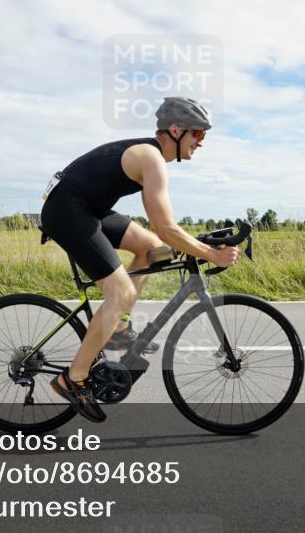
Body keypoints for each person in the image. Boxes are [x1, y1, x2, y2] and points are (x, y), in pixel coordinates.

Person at [40, 96, 240, 422]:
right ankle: (72, 379)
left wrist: (198, 244)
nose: (200, 143)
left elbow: (163, 235)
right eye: (198, 135)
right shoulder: (152, 159)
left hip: (87, 208)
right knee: (122, 292)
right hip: (67, 210)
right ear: (175, 130)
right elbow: (166, 225)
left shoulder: (151, 156)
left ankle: (117, 328)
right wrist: (210, 254)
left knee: (151, 247)